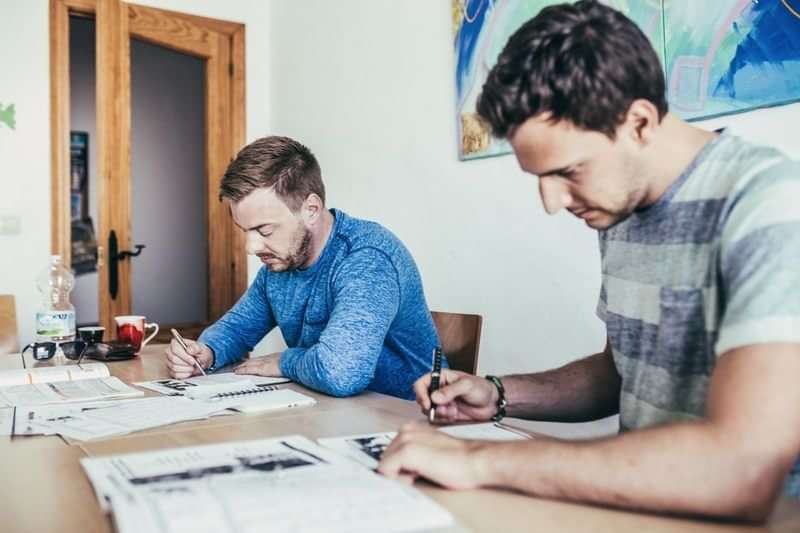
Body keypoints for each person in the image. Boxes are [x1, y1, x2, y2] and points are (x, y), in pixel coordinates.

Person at [378, 0, 800, 522]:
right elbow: (620, 376)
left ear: (639, 122)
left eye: (568, 171)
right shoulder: (618, 208)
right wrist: (500, 394)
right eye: (538, 177)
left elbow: (742, 469)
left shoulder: (770, 205)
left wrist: (483, 459)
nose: (551, 202)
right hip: (641, 510)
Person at [164, 135, 440, 400]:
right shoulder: (281, 264)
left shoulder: (367, 258)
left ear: (310, 209)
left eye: (265, 230)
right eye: (244, 230)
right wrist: (206, 350)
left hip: (405, 417)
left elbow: (340, 373)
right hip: (331, 412)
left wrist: (286, 361)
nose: (251, 247)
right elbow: (237, 329)